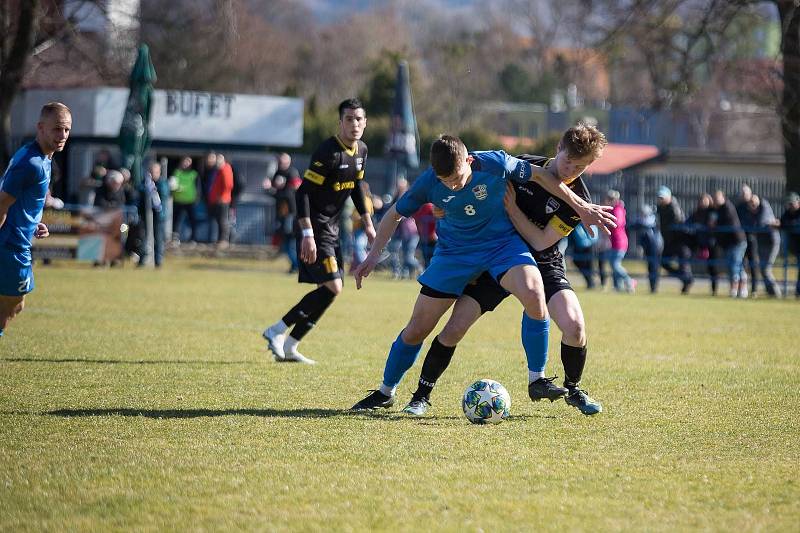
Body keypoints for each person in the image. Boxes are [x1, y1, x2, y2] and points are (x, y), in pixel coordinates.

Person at [350, 132, 615, 411]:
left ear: (469, 159)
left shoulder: (495, 163)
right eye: (446, 182)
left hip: (505, 248)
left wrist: (582, 206)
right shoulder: (430, 182)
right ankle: (388, 392)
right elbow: (394, 214)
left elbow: (541, 181)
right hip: (455, 254)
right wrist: (373, 255)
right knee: (420, 328)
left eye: (458, 177)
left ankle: (539, 379)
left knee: (537, 292)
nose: (454, 186)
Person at [262, 98, 376, 364]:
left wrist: (368, 222)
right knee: (333, 286)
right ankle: (277, 330)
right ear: (340, 122)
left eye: (359, 119)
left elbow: (357, 187)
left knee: (332, 289)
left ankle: (291, 345)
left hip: (334, 229)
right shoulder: (328, 152)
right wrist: (307, 234)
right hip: (316, 228)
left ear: (365, 122)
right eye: (349, 119)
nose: (354, 124)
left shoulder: (362, 150)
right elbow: (302, 193)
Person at [0, 102, 71, 337]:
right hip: (10, 245)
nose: (62, 135)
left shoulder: (42, 158)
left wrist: (32, 222)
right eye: (57, 129)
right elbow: (1, 204)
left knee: (14, 306)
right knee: (9, 306)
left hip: (17, 240)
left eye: (67, 130)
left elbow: (19, 200)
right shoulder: (31, 164)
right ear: (41, 128)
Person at [656, 186, 693, 294]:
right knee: (664, 262)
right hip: (669, 240)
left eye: (662, 198)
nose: (660, 200)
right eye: (660, 198)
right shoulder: (661, 207)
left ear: (669, 197)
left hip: (679, 240)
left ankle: (686, 281)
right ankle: (685, 279)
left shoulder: (673, 207)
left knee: (683, 264)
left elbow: (678, 220)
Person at [712, 189, 748, 298]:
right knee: (736, 266)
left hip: (737, 241)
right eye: (715, 198)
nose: (716, 200)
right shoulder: (718, 209)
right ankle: (741, 290)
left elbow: (728, 223)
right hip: (729, 243)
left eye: (718, 198)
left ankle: (735, 290)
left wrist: (715, 224)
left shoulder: (727, 207)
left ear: (723, 197)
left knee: (734, 266)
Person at [746, 194, 781, 297]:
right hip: (761, 242)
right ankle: (770, 292)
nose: (753, 206)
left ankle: (776, 293)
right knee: (762, 269)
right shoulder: (752, 212)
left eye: (754, 203)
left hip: (772, 242)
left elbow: (760, 224)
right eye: (751, 204)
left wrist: (754, 227)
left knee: (765, 269)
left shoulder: (764, 207)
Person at [688, 193, 721, 296]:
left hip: (711, 243)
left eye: (705, 200)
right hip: (700, 242)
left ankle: (714, 290)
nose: (703, 203)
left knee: (712, 267)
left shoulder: (712, 212)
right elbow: (688, 221)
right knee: (688, 261)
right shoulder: (697, 212)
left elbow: (713, 224)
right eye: (701, 201)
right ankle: (687, 283)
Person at [604, 189, 635, 292]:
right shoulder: (612, 209)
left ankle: (629, 281)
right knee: (614, 264)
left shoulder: (618, 209)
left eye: (611, 198)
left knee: (615, 264)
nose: (609, 200)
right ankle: (618, 286)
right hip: (614, 242)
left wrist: (607, 222)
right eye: (608, 198)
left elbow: (618, 223)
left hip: (620, 241)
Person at [207, 153, 234, 249]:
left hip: (223, 200)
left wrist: (221, 196)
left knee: (223, 220)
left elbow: (228, 185)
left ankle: (224, 240)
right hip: (218, 200)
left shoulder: (225, 169)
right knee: (219, 220)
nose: (217, 162)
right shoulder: (219, 170)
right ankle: (220, 239)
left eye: (219, 160)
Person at [170, 156, 199, 244]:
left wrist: (198, 197)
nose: (186, 164)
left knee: (192, 220)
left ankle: (193, 238)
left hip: (190, 201)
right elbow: (172, 185)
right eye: (185, 161)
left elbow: (198, 187)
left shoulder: (194, 174)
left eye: (188, 162)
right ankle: (175, 238)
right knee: (176, 220)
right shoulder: (176, 172)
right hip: (178, 200)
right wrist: (176, 188)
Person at [779, 192, 800, 298]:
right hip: (796, 246)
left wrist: (788, 225)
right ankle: (798, 291)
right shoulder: (788, 213)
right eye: (789, 203)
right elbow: (782, 222)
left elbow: (791, 224)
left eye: (792, 203)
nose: (791, 206)